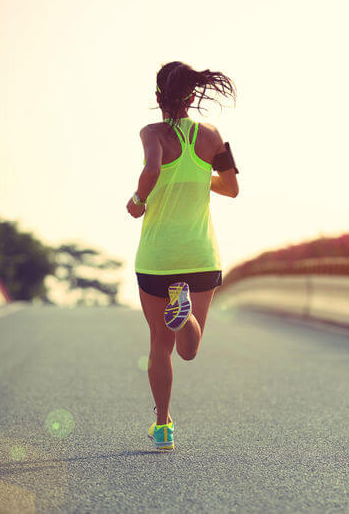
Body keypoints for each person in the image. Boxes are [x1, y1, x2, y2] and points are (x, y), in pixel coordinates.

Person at [126, 61, 238, 451]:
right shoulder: (211, 136)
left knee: (160, 343)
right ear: (193, 97)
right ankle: (185, 313)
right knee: (189, 350)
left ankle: (163, 425)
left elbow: (153, 169)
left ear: (158, 98)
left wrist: (138, 201)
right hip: (201, 256)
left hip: (158, 258)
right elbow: (233, 186)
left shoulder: (151, 132)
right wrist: (199, 175)